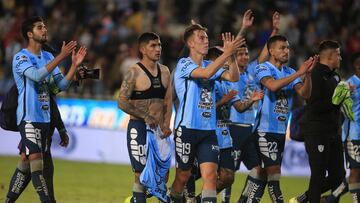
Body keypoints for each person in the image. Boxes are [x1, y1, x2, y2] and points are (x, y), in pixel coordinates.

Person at [5, 16, 87, 203]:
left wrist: (73, 66)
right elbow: (35, 75)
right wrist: (61, 57)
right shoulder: (21, 57)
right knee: (37, 164)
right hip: (28, 118)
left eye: (45, 27)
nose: (44, 30)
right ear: (29, 34)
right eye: (40, 27)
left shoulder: (48, 57)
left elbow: (59, 87)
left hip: (44, 119)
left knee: (25, 164)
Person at [169, 21, 244, 202]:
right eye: (201, 38)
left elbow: (233, 77)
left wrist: (231, 56)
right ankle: (171, 197)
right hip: (186, 129)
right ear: (190, 43)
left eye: (207, 38)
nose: (206, 41)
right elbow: (206, 74)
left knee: (210, 175)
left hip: (208, 131)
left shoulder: (211, 63)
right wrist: (225, 53)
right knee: (183, 176)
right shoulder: (184, 64)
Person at [183, 47, 264, 203]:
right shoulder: (203, 83)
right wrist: (222, 101)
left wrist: (252, 100)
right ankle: (176, 196)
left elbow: (239, 107)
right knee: (191, 174)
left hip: (224, 134)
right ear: (214, 62)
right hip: (207, 133)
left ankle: (197, 200)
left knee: (227, 177)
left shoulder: (226, 84)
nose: (227, 64)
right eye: (225, 61)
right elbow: (201, 110)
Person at [247, 35, 317, 203]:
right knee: (274, 172)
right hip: (264, 130)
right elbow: (272, 86)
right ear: (271, 50)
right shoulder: (262, 68)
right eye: (282, 48)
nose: (287, 51)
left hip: (280, 132)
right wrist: (299, 73)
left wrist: (307, 75)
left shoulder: (290, 72)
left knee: (263, 174)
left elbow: (305, 94)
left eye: (288, 48)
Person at [222, 10, 281, 203]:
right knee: (228, 172)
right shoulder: (232, 77)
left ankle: (244, 200)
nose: (245, 56)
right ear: (233, 57)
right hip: (234, 128)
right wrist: (243, 29)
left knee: (258, 171)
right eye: (240, 54)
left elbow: (266, 53)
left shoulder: (253, 72)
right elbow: (239, 107)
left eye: (246, 53)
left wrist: (274, 30)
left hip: (249, 130)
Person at [117, 32, 172, 203]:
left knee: (163, 174)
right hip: (138, 128)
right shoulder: (134, 72)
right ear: (142, 49)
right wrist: (145, 115)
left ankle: (135, 200)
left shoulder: (165, 71)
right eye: (153, 46)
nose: (158, 49)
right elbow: (122, 102)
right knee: (140, 174)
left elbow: (167, 101)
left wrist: (166, 124)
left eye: (160, 45)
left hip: (158, 131)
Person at [290, 40, 346, 203]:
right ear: (331, 56)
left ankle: (304, 197)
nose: (341, 58)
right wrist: (338, 99)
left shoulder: (335, 76)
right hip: (317, 132)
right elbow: (315, 105)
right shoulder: (315, 74)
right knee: (319, 175)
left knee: (339, 178)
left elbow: (336, 106)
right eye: (338, 54)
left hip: (333, 132)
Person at [343, 52, 360, 202]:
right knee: (355, 170)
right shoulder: (349, 84)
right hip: (353, 135)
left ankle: (332, 198)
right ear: (357, 66)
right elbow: (339, 108)